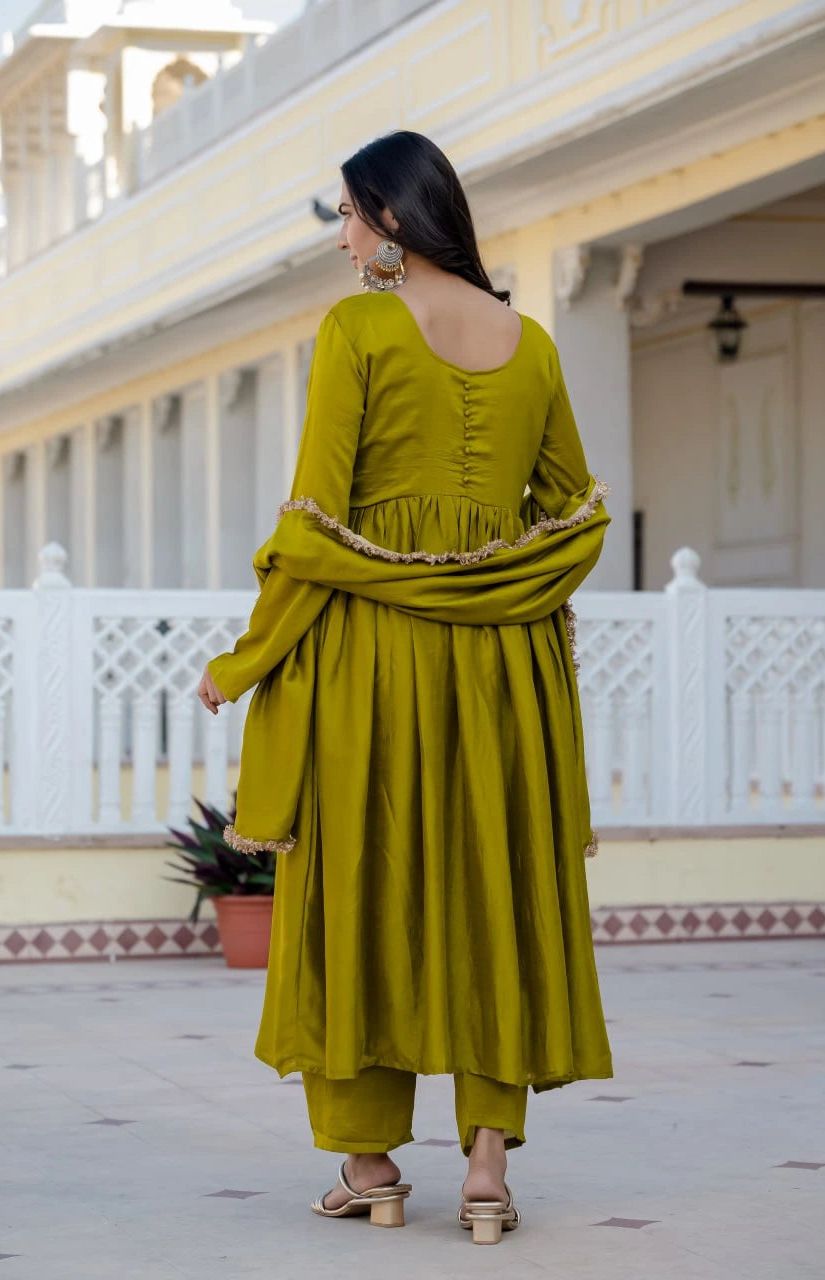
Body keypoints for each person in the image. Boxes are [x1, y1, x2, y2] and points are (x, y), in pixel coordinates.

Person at [197, 130, 613, 1245]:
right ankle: (485, 1170)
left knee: (363, 885)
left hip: (371, 658)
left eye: (346, 215)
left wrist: (244, 659)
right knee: (492, 887)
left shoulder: (361, 327)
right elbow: (579, 516)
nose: (340, 238)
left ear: (393, 216)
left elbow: (314, 525)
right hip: (502, 672)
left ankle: (372, 1162)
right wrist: (493, 582)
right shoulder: (529, 343)